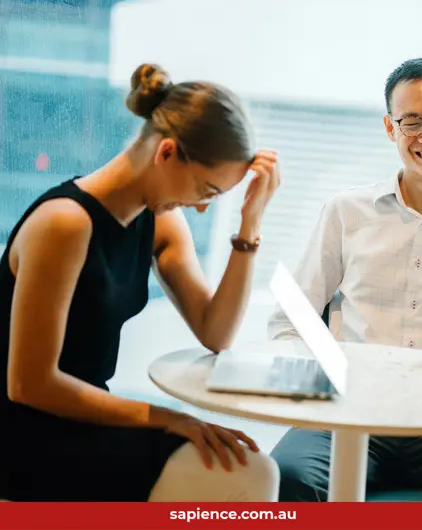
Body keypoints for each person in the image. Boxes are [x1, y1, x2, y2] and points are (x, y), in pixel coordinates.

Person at [0, 63, 280, 501]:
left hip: (88, 422)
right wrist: (168, 417)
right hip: (27, 436)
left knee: (252, 470)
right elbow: (29, 384)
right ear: (166, 152)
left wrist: (250, 226)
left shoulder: (160, 221)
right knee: (244, 476)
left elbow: (216, 333)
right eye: (205, 190)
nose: (202, 208)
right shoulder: (64, 224)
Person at [268, 57, 422, 501]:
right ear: (390, 128)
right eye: (411, 122)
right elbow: (288, 323)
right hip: (348, 414)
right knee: (286, 478)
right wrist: (323, 374)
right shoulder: (346, 212)